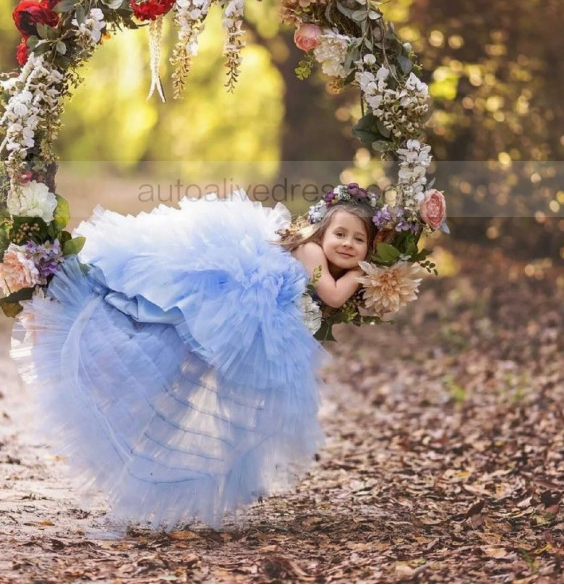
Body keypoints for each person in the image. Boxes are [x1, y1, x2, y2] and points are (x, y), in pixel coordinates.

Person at [11, 188, 376, 530]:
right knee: (168, 324)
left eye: (359, 240)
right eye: (340, 234)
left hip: (257, 302)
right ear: (321, 232)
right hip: (245, 291)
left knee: (186, 351)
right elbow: (331, 295)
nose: (348, 244)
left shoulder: (322, 255)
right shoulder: (312, 252)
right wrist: (367, 272)